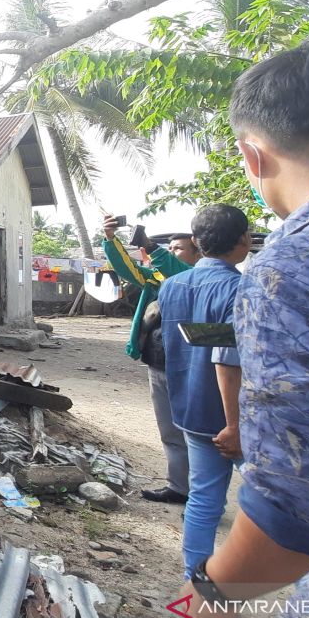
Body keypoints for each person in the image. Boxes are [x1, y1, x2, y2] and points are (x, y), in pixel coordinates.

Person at [177, 36, 309, 618]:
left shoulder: (293, 263)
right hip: (213, 412)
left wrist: (213, 600)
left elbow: (301, 499)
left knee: (201, 494)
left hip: (195, 409)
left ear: (253, 155)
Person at [158, 204, 250, 578]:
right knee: (275, 504)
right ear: (244, 240)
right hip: (236, 418)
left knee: (203, 498)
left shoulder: (171, 286)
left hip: (191, 409)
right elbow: (227, 360)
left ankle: (196, 582)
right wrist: (235, 425)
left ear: (196, 242)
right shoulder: (242, 289)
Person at [100, 216, 199, 505]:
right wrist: (110, 239)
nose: (170, 252)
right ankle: (180, 487)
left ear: (198, 253)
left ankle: (202, 498)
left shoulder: (197, 279)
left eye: (178, 248)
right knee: (169, 430)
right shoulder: (157, 278)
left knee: (196, 432)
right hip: (158, 362)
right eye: (169, 247)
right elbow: (126, 268)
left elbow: (175, 268)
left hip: (192, 365)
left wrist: (151, 247)